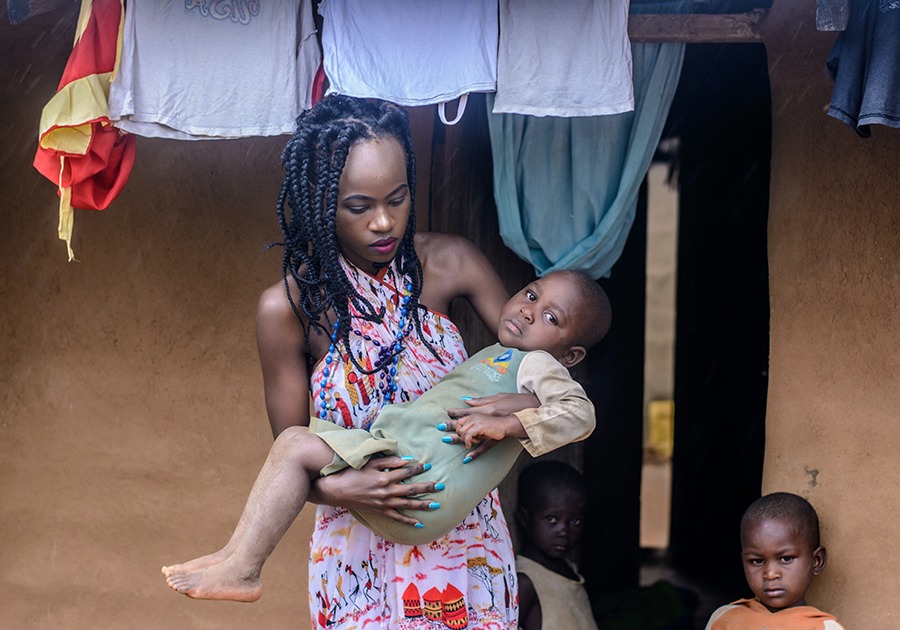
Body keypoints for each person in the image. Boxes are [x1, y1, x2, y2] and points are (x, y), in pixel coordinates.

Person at [164, 94, 542, 628]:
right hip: (359, 545)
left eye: (398, 198)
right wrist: (346, 488)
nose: (384, 223)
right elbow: (291, 455)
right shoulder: (289, 309)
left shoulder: (452, 263)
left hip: (464, 542)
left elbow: (537, 377)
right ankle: (238, 564)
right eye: (359, 206)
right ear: (320, 202)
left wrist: (514, 410)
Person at [163, 270, 611, 602]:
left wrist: (511, 422)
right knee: (292, 445)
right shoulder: (501, 357)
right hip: (400, 461)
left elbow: (580, 413)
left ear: (569, 354)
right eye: (531, 294)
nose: (529, 310)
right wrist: (520, 407)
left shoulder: (538, 365)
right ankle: (235, 557)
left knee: (295, 445)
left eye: (550, 316)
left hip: (416, 475)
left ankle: (244, 568)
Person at [705, 492, 845, 629]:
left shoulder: (823, 627)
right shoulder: (724, 618)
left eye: (786, 559)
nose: (770, 574)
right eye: (757, 561)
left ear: (816, 561)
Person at [515, 461, 598, 630]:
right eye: (552, 518)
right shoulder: (526, 581)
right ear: (525, 518)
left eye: (575, 521)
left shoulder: (569, 570)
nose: (564, 531)